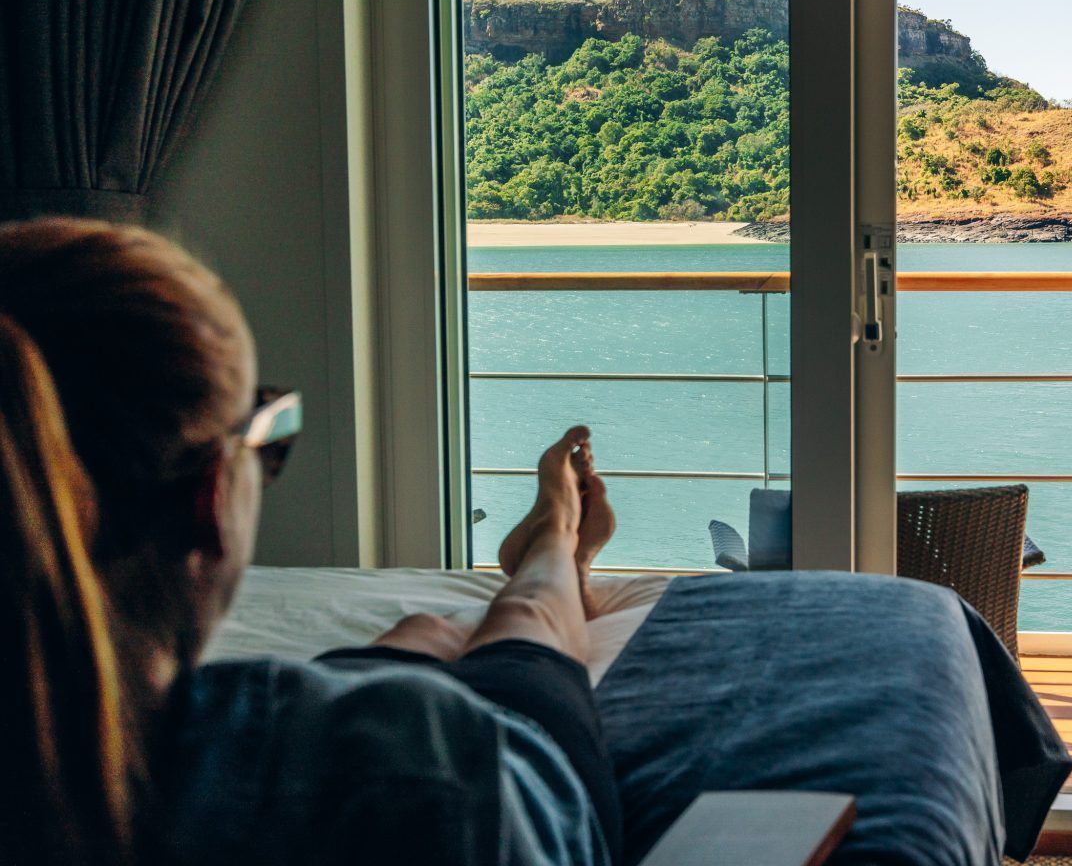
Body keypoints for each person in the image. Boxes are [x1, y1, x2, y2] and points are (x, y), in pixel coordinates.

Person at [0, 218, 622, 866]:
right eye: (270, 432)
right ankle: (555, 540)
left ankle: (544, 551)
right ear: (212, 500)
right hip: (457, 753)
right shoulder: (427, 779)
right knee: (526, 618)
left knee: (424, 630)